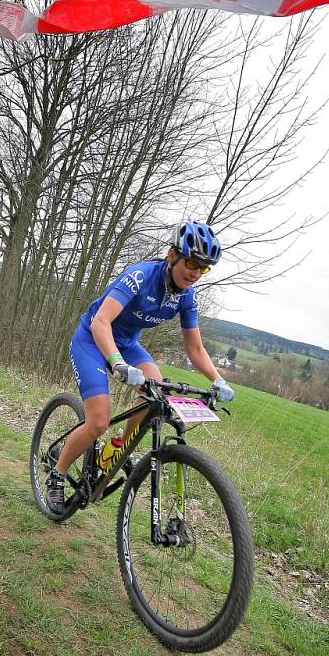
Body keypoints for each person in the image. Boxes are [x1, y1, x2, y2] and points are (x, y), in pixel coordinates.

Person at [46, 220, 235, 513]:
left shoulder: (186, 297)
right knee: (97, 421)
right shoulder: (139, 276)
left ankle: (118, 447)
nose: (196, 273)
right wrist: (116, 363)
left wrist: (217, 380)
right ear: (172, 255)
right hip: (92, 340)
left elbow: (194, 347)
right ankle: (57, 475)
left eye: (203, 268)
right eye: (191, 263)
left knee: (154, 390)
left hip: (127, 344)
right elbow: (101, 322)